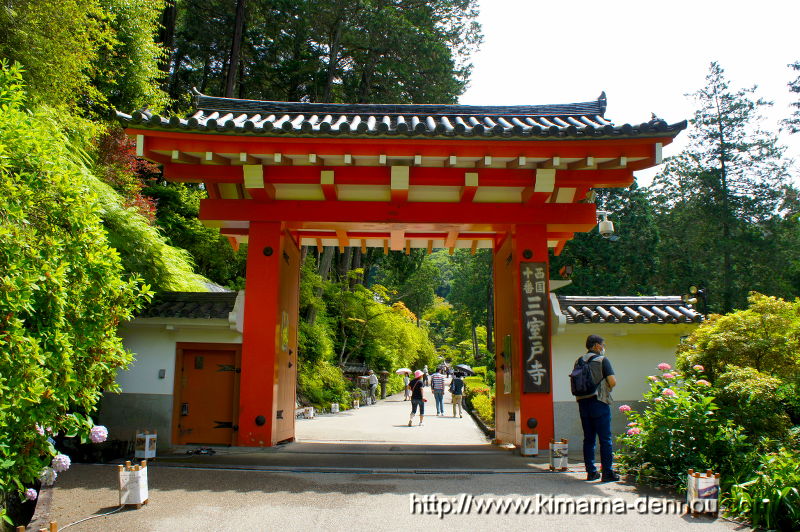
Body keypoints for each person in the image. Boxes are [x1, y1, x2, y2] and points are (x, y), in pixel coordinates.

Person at [574, 334, 619, 482]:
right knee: (605, 439)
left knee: (588, 439)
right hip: (599, 402)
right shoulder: (602, 360)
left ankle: (591, 472)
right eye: (602, 344)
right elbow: (612, 381)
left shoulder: (578, 361)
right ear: (595, 345)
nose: (603, 347)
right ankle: (607, 472)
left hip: (583, 403)